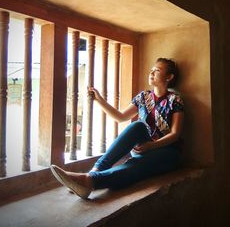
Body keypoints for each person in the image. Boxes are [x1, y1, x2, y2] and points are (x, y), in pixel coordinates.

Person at [50, 58, 184, 199]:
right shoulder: (143, 97)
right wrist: (99, 99)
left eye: (157, 70)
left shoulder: (175, 100)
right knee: (137, 125)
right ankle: (94, 172)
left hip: (167, 153)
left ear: (169, 77)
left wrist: (151, 146)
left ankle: (89, 181)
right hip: (145, 148)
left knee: (134, 165)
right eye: (151, 69)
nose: (151, 72)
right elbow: (120, 117)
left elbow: (175, 134)